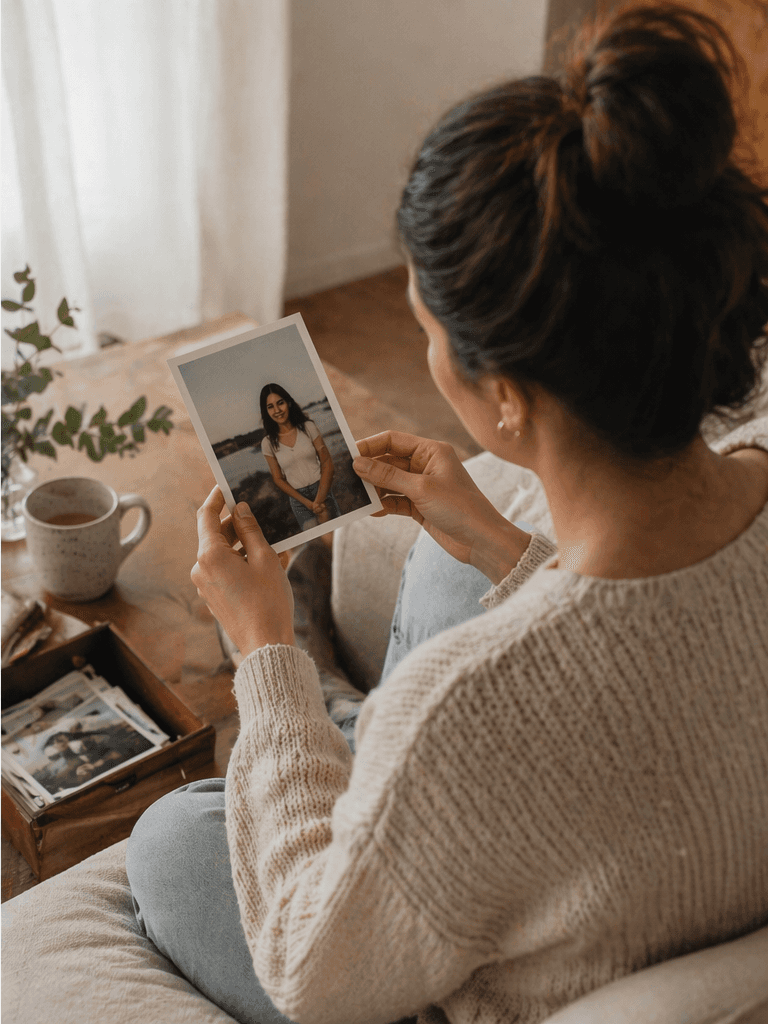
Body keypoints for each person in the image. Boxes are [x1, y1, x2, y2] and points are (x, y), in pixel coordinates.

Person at [126, 5, 768, 1023]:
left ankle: (327, 718)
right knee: (444, 571)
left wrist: (263, 647)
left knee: (169, 841)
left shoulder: (466, 713)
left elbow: (312, 967)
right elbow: (660, 641)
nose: (426, 351)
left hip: (495, 974)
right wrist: (505, 546)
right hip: (654, 853)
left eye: (425, 326)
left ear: (504, 392)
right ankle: (341, 732)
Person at [259, 382, 341, 531]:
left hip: (321, 490)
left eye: (280, 403)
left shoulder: (308, 427)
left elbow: (327, 462)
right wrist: (307, 503)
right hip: (299, 502)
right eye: (270, 407)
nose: (277, 410)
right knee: (317, 546)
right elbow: (278, 479)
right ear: (266, 411)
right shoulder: (267, 443)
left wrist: (319, 499)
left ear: (288, 402)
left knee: (339, 536)